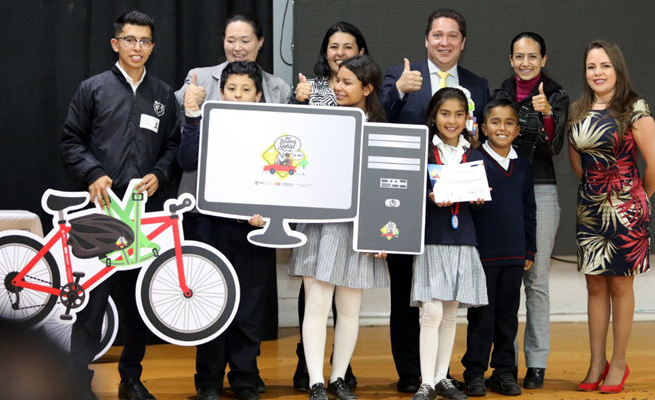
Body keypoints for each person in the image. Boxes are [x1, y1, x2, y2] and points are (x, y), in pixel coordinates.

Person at [60, 10, 180, 400]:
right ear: (116, 43)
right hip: (102, 211)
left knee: (136, 304)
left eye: (144, 41)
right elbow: (71, 140)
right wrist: (92, 172)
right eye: (130, 40)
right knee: (93, 303)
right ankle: (78, 381)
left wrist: (160, 175)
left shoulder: (162, 95)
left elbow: (174, 146)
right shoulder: (93, 88)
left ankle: (131, 378)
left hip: (143, 213)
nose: (137, 47)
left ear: (152, 47)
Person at [174, 11, 289, 396]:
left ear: (260, 94)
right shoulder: (206, 118)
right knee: (211, 299)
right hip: (208, 223)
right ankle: (207, 380)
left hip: (253, 226)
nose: (238, 96)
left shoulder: (273, 128)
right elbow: (186, 161)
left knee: (250, 305)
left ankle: (244, 376)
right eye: (232, 90)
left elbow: (282, 177)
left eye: (246, 91)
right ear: (221, 92)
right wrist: (192, 117)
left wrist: (269, 212)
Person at [378, 9, 490, 392]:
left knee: (447, 307)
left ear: (462, 42)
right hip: (407, 209)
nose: (445, 42)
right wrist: (398, 92)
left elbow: (484, 143)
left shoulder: (478, 84)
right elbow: (376, 119)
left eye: (453, 36)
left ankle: (439, 375)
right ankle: (413, 374)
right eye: (437, 35)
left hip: (458, 221)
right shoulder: (400, 76)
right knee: (408, 297)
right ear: (426, 39)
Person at [285, 54, 388, 400]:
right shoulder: (320, 119)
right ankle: (315, 380)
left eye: (347, 82)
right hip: (319, 222)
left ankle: (339, 377)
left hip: (359, 227)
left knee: (349, 308)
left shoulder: (378, 128)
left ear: (368, 88)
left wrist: (382, 230)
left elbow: (383, 186)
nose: (338, 87)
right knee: (316, 302)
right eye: (336, 81)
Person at [567, 39, 655, 394]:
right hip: (590, 208)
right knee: (594, 285)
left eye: (605, 65)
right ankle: (596, 362)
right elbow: (578, 164)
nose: (598, 72)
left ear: (617, 69)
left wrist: (637, 199)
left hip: (626, 209)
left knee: (621, 285)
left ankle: (619, 363)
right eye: (591, 66)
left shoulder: (634, 108)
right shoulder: (578, 109)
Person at [490, 31, 570, 389]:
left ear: (543, 59)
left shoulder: (556, 94)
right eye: (519, 57)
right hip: (501, 189)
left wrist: (548, 115)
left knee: (535, 281)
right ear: (511, 60)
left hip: (540, 188)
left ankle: (536, 362)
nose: (525, 63)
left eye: (532, 57)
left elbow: (554, 148)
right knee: (500, 280)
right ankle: (501, 364)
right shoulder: (500, 94)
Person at [409, 87, 487, 400]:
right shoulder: (425, 151)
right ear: (433, 117)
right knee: (430, 311)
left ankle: (442, 377)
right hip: (431, 239)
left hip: (462, 238)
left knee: (452, 313)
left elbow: (479, 203)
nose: (451, 121)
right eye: (445, 114)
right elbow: (409, 196)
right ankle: (426, 381)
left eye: (458, 114)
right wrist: (427, 199)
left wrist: (479, 199)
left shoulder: (474, 153)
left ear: (467, 117)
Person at [461, 99, 537, 397]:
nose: (501, 128)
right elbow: (464, 207)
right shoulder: (472, 160)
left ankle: (504, 372)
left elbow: (529, 210)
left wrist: (528, 250)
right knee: (482, 316)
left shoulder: (523, 165)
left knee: (507, 315)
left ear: (517, 130)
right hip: (483, 255)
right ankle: (474, 372)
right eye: (495, 122)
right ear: (483, 127)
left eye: (508, 123)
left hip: (514, 255)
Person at [175, 12, 292, 107]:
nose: (237, 48)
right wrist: (186, 97)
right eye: (231, 41)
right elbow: (171, 109)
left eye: (245, 41)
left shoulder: (279, 87)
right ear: (223, 42)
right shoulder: (200, 78)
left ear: (260, 42)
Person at [292, 21, 368, 107]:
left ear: (360, 52)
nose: (340, 53)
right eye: (334, 47)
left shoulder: (369, 88)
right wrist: (298, 102)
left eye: (348, 47)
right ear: (325, 53)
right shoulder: (308, 88)